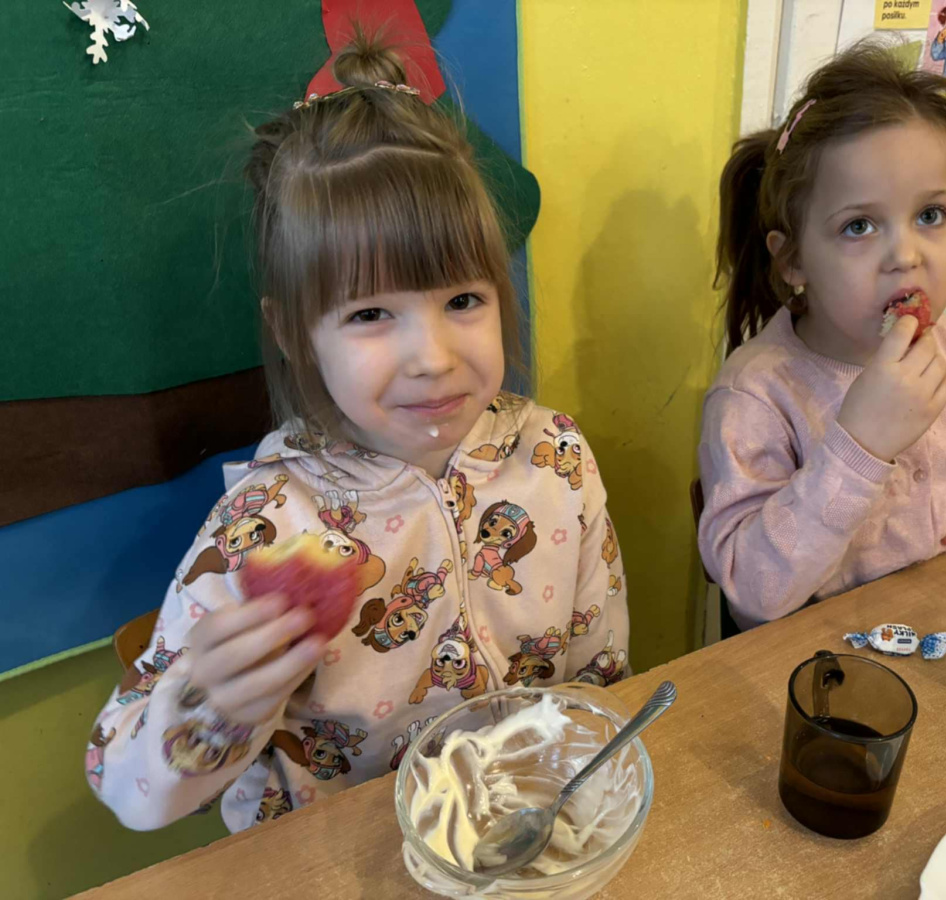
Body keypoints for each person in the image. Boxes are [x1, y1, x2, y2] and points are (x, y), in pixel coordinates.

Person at [86, 29, 629, 832]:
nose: (433, 359)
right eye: (371, 313)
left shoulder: (556, 459)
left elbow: (599, 680)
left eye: (463, 300)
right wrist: (211, 706)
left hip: (522, 833)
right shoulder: (266, 526)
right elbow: (124, 785)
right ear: (295, 332)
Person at [698, 40, 946, 630]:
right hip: (816, 660)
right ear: (793, 260)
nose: (906, 254)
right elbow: (751, 591)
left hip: (941, 627)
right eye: (859, 226)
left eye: (931, 215)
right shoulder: (757, 395)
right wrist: (861, 444)